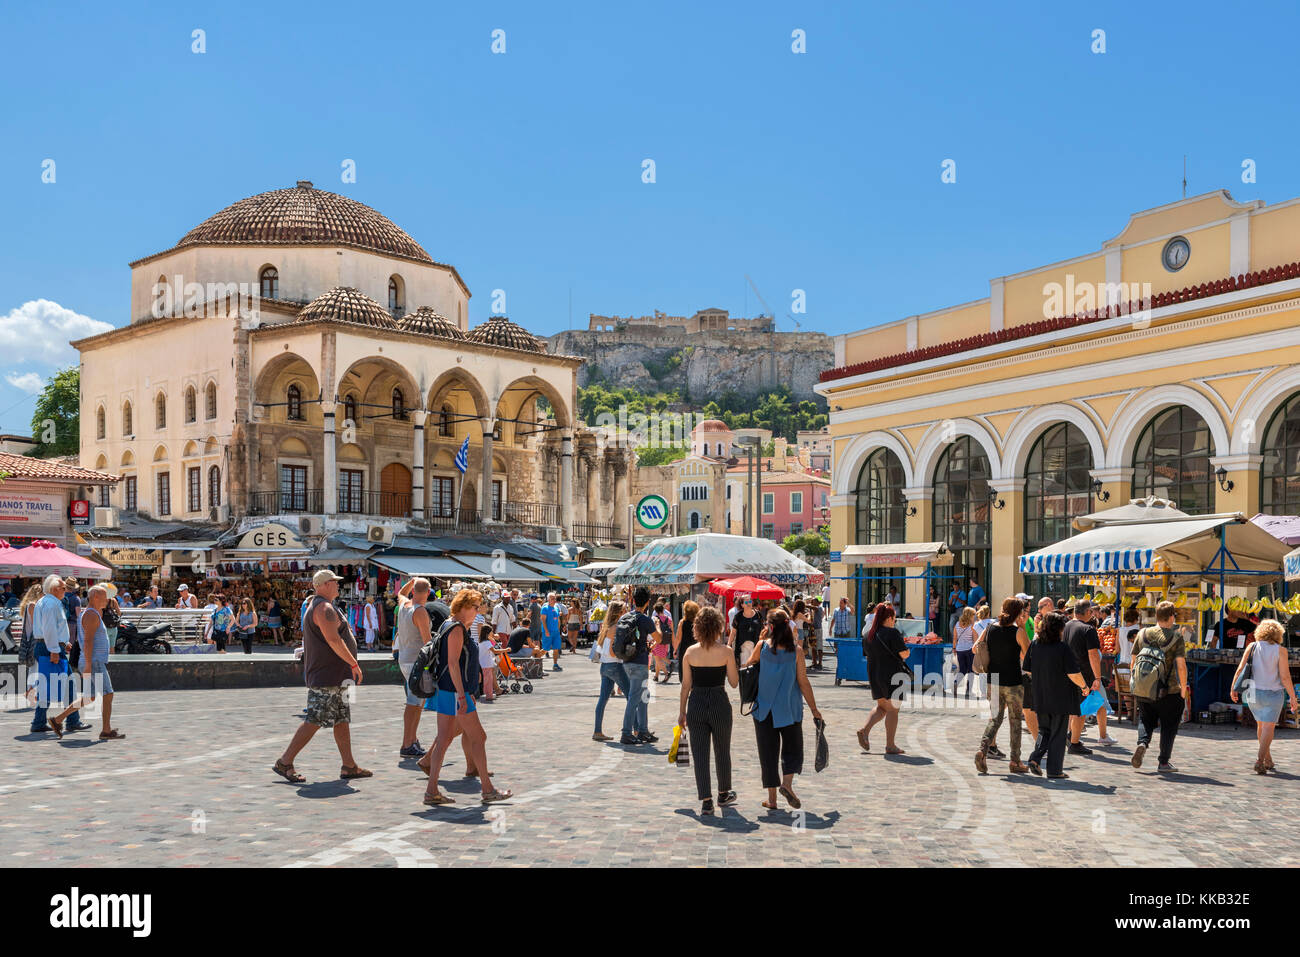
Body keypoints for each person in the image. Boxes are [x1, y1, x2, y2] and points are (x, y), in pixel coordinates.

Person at [272, 570, 370, 784]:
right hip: (327, 676)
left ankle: (349, 765)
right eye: (334, 582)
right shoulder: (323, 607)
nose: (337, 585)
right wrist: (354, 663)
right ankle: (285, 761)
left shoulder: (323, 606)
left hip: (337, 676)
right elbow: (334, 640)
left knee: (341, 719)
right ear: (324, 584)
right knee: (315, 719)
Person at [421, 589, 511, 806]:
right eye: (476, 607)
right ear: (465, 607)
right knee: (478, 737)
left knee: (443, 740)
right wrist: (462, 695)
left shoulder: (448, 624)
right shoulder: (457, 629)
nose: (478, 611)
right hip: (454, 692)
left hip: (447, 691)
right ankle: (487, 789)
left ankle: (432, 791)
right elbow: (452, 663)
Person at [748, 608, 822, 811]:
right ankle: (787, 784)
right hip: (790, 708)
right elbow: (803, 682)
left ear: (770, 627)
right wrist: (814, 709)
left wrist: (760, 642)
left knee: (768, 754)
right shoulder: (796, 651)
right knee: (793, 749)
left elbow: (748, 667)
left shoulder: (762, 646)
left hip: (764, 709)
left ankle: (772, 799)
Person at [678, 606, 740, 815]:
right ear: (718, 627)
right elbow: (733, 683)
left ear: (697, 628)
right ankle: (723, 792)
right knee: (722, 749)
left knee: (700, 753)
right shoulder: (726, 651)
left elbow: (686, 685)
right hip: (719, 702)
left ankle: (706, 800)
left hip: (696, 702)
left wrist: (681, 712)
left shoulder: (690, 652)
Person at [50, 585, 123, 740]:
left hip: (92, 660)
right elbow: (88, 641)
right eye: (104, 596)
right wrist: (89, 664)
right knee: (108, 694)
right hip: (94, 661)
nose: (107, 599)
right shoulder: (91, 615)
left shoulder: (93, 613)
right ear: (95, 596)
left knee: (89, 697)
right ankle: (106, 730)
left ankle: (57, 720)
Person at [1021, 612, 1087, 778]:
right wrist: (1084, 686)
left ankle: (1035, 758)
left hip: (1040, 694)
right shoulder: (1063, 648)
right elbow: (1073, 673)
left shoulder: (1035, 645)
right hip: (1060, 695)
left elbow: (1027, 669)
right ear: (1059, 629)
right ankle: (1055, 770)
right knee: (1058, 732)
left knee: (1044, 730)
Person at [1231, 618, 1299, 774]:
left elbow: (1241, 668)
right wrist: (1293, 697)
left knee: (1261, 726)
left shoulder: (1252, 646)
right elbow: (1285, 677)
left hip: (1252, 693)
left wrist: (1233, 688)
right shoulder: (1280, 651)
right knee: (1269, 727)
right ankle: (1260, 761)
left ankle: (1268, 760)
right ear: (1278, 634)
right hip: (1273, 693)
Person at [1130, 601, 1189, 773]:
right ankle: (1163, 762)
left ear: (1156, 616)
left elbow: (1133, 661)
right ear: (1172, 616)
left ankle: (1142, 743)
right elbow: (1181, 666)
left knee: (1145, 720)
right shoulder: (1176, 637)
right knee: (1169, 725)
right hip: (1168, 690)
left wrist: (1137, 682)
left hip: (1145, 688)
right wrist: (1183, 688)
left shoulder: (1142, 634)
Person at [975, 598, 1030, 774]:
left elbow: (976, 647)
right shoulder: (1018, 632)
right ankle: (1015, 762)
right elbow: (1028, 656)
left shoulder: (990, 628)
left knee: (995, 718)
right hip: (1013, 681)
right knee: (1015, 722)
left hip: (994, 679)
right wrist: (1021, 629)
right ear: (1018, 614)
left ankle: (982, 750)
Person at [30, 575, 86, 735]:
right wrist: (55, 649)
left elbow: (50, 629)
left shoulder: (46, 602)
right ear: (54, 589)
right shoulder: (52, 604)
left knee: (48, 685)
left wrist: (62, 642)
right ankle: (72, 721)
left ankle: (39, 722)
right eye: (63, 588)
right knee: (67, 683)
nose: (66, 590)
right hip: (50, 649)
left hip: (48, 647)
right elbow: (49, 629)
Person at [395, 577, 444, 758]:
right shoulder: (420, 611)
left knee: (415, 702)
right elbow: (427, 641)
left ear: (413, 591)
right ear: (429, 592)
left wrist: (411, 581)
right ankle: (407, 743)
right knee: (414, 704)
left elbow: (400, 593)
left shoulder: (404, 604)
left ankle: (411, 740)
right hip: (417, 661)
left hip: (404, 657)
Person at [857, 602, 908, 754]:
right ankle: (890, 745)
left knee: (882, 707)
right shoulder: (893, 633)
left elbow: (867, 654)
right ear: (889, 618)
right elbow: (904, 654)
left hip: (874, 674)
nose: (894, 621)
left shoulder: (868, 635)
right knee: (893, 710)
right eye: (894, 618)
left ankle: (864, 730)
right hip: (893, 675)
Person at [1063, 600, 1114, 751]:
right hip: (1084, 675)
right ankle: (1075, 742)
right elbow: (1093, 655)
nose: (1092, 614)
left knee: (1075, 708)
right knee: (1081, 710)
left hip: (1068, 673)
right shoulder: (1088, 629)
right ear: (1086, 612)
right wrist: (1097, 678)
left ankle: (1071, 736)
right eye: (1091, 612)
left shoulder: (1066, 626)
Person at [619, 586, 658, 746]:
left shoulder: (624, 617)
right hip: (640, 664)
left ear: (633, 600)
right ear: (648, 602)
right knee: (635, 697)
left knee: (643, 696)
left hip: (626, 662)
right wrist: (658, 625)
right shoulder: (645, 619)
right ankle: (626, 732)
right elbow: (660, 638)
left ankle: (643, 730)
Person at [593, 600, 630, 741]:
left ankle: (597, 731)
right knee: (631, 696)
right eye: (624, 610)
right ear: (618, 612)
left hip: (605, 666)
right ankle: (635, 729)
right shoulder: (616, 627)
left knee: (603, 700)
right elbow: (612, 652)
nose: (626, 612)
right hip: (614, 665)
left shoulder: (606, 627)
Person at [669, 600, 698, 685]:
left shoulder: (682, 622)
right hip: (696, 649)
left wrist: (675, 650)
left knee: (684, 671)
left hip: (685, 650)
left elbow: (678, 638)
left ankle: (686, 687)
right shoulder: (698, 622)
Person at [951, 606, 978, 698]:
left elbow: (955, 638)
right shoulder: (972, 625)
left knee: (962, 670)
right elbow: (975, 639)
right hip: (970, 649)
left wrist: (954, 648)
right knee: (971, 670)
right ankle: (968, 690)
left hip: (959, 649)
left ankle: (955, 683)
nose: (974, 616)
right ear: (970, 615)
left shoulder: (957, 624)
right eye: (973, 614)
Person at [730, 595, 763, 668]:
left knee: (755, 668)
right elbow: (733, 632)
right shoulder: (738, 616)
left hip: (755, 647)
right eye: (746, 602)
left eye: (750, 601)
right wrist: (728, 645)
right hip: (743, 647)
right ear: (742, 605)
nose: (749, 603)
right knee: (743, 669)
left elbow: (762, 630)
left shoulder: (758, 615)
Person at [539, 592, 564, 671]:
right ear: (548, 599)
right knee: (545, 649)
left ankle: (555, 664)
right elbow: (543, 620)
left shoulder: (556, 608)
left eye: (555, 598)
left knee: (556, 649)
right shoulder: (545, 608)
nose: (554, 600)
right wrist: (546, 630)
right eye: (552, 598)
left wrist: (559, 629)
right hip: (548, 631)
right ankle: (534, 660)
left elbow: (558, 620)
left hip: (555, 632)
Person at [651, 600, 674, 683]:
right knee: (659, 657)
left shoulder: (655, 619)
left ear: (656, 611)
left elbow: (653, 631)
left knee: (658, 658)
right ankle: (656, 676)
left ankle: (667, 670)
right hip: (665, 641)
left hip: (657, 640)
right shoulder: (669, 619)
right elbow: (672, 631)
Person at [478, 624, 499, 701]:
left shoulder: (483, 642)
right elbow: (495, 650)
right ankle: (489, 695)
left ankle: (487, 693)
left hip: (484, 664)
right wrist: (506, 650)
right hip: (486, 665)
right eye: (491, 631)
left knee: (487, 680)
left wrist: (491, 637)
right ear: (487, 633)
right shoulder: (486, 642)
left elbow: (494, 644)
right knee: (488, 680)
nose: (492, 633)